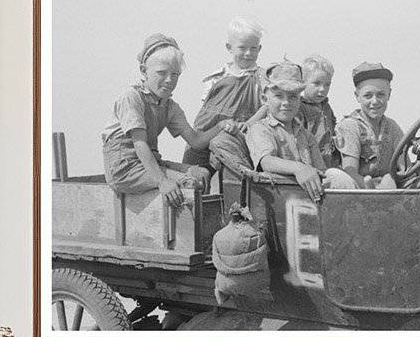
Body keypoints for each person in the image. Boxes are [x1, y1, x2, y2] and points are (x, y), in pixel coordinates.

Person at [101, 33, 238, 207]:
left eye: (175, 74)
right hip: (124, 169)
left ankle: (202, 227)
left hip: (149, 163)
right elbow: (140, 144)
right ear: (144, 70)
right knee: (191, 183)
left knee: (202, 173)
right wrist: (162, 181)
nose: (169, 81)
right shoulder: (131, 98)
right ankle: (187, 231)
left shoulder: (170, 107)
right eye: (161, 73)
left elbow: (196, 141)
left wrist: (221, 126)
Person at [244, 62, 356, 201]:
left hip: (308, 197)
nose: (286, 102)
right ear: (264, 99)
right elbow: (266, 161)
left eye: (293, 97)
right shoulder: (261, 129)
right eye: (279, 96)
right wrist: (299, 168)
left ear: (299, 100)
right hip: (280, 197)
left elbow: (321, 170)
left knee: (335, 175)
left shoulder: (306, 135)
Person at [182, 17, 267, 171]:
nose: (248, 53)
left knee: (233, 179)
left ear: (259, 49)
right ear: (229, 47)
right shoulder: (217, 77)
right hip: (207, 132)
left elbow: (266, 107)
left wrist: (249, 124)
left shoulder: (262, 78)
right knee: (193, 175)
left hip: (237, 136)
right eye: (242, 48)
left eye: (253, 48)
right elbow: (205, 113)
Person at [334, 61, 405, 188]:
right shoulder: (350, 127)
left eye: (381, 95)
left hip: (390, 189)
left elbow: (405, 168)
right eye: (368, 96)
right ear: (357, 96)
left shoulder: (392, 127)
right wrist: (374, 189)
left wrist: (392, 179)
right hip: (361, 191)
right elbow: (350, 172)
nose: (375, 101)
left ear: (389, 94)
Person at [298, 54, 339, 167]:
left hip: (328, 161)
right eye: (316, 84)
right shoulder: (299, 108)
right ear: (303, 82)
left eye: (327, 85)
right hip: (310, 163)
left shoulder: (326, 107)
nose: (322, 89)